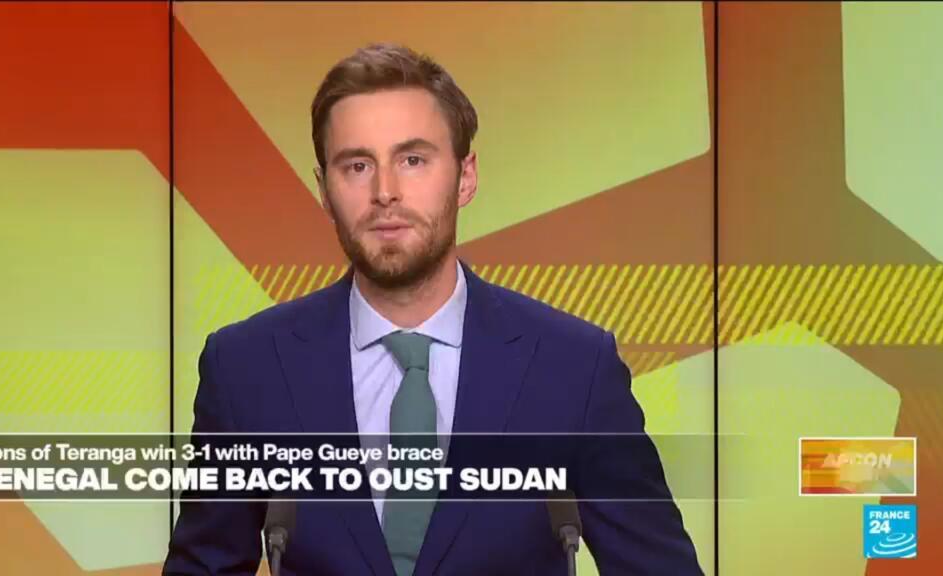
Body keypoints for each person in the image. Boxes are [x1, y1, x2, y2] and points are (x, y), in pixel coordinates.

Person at [164, 43, 701, 576]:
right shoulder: (247, 369)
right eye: (357, 165)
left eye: (413, 160)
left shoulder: (575, 368)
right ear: (324, 190)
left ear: (465, 177)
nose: (385, 192)